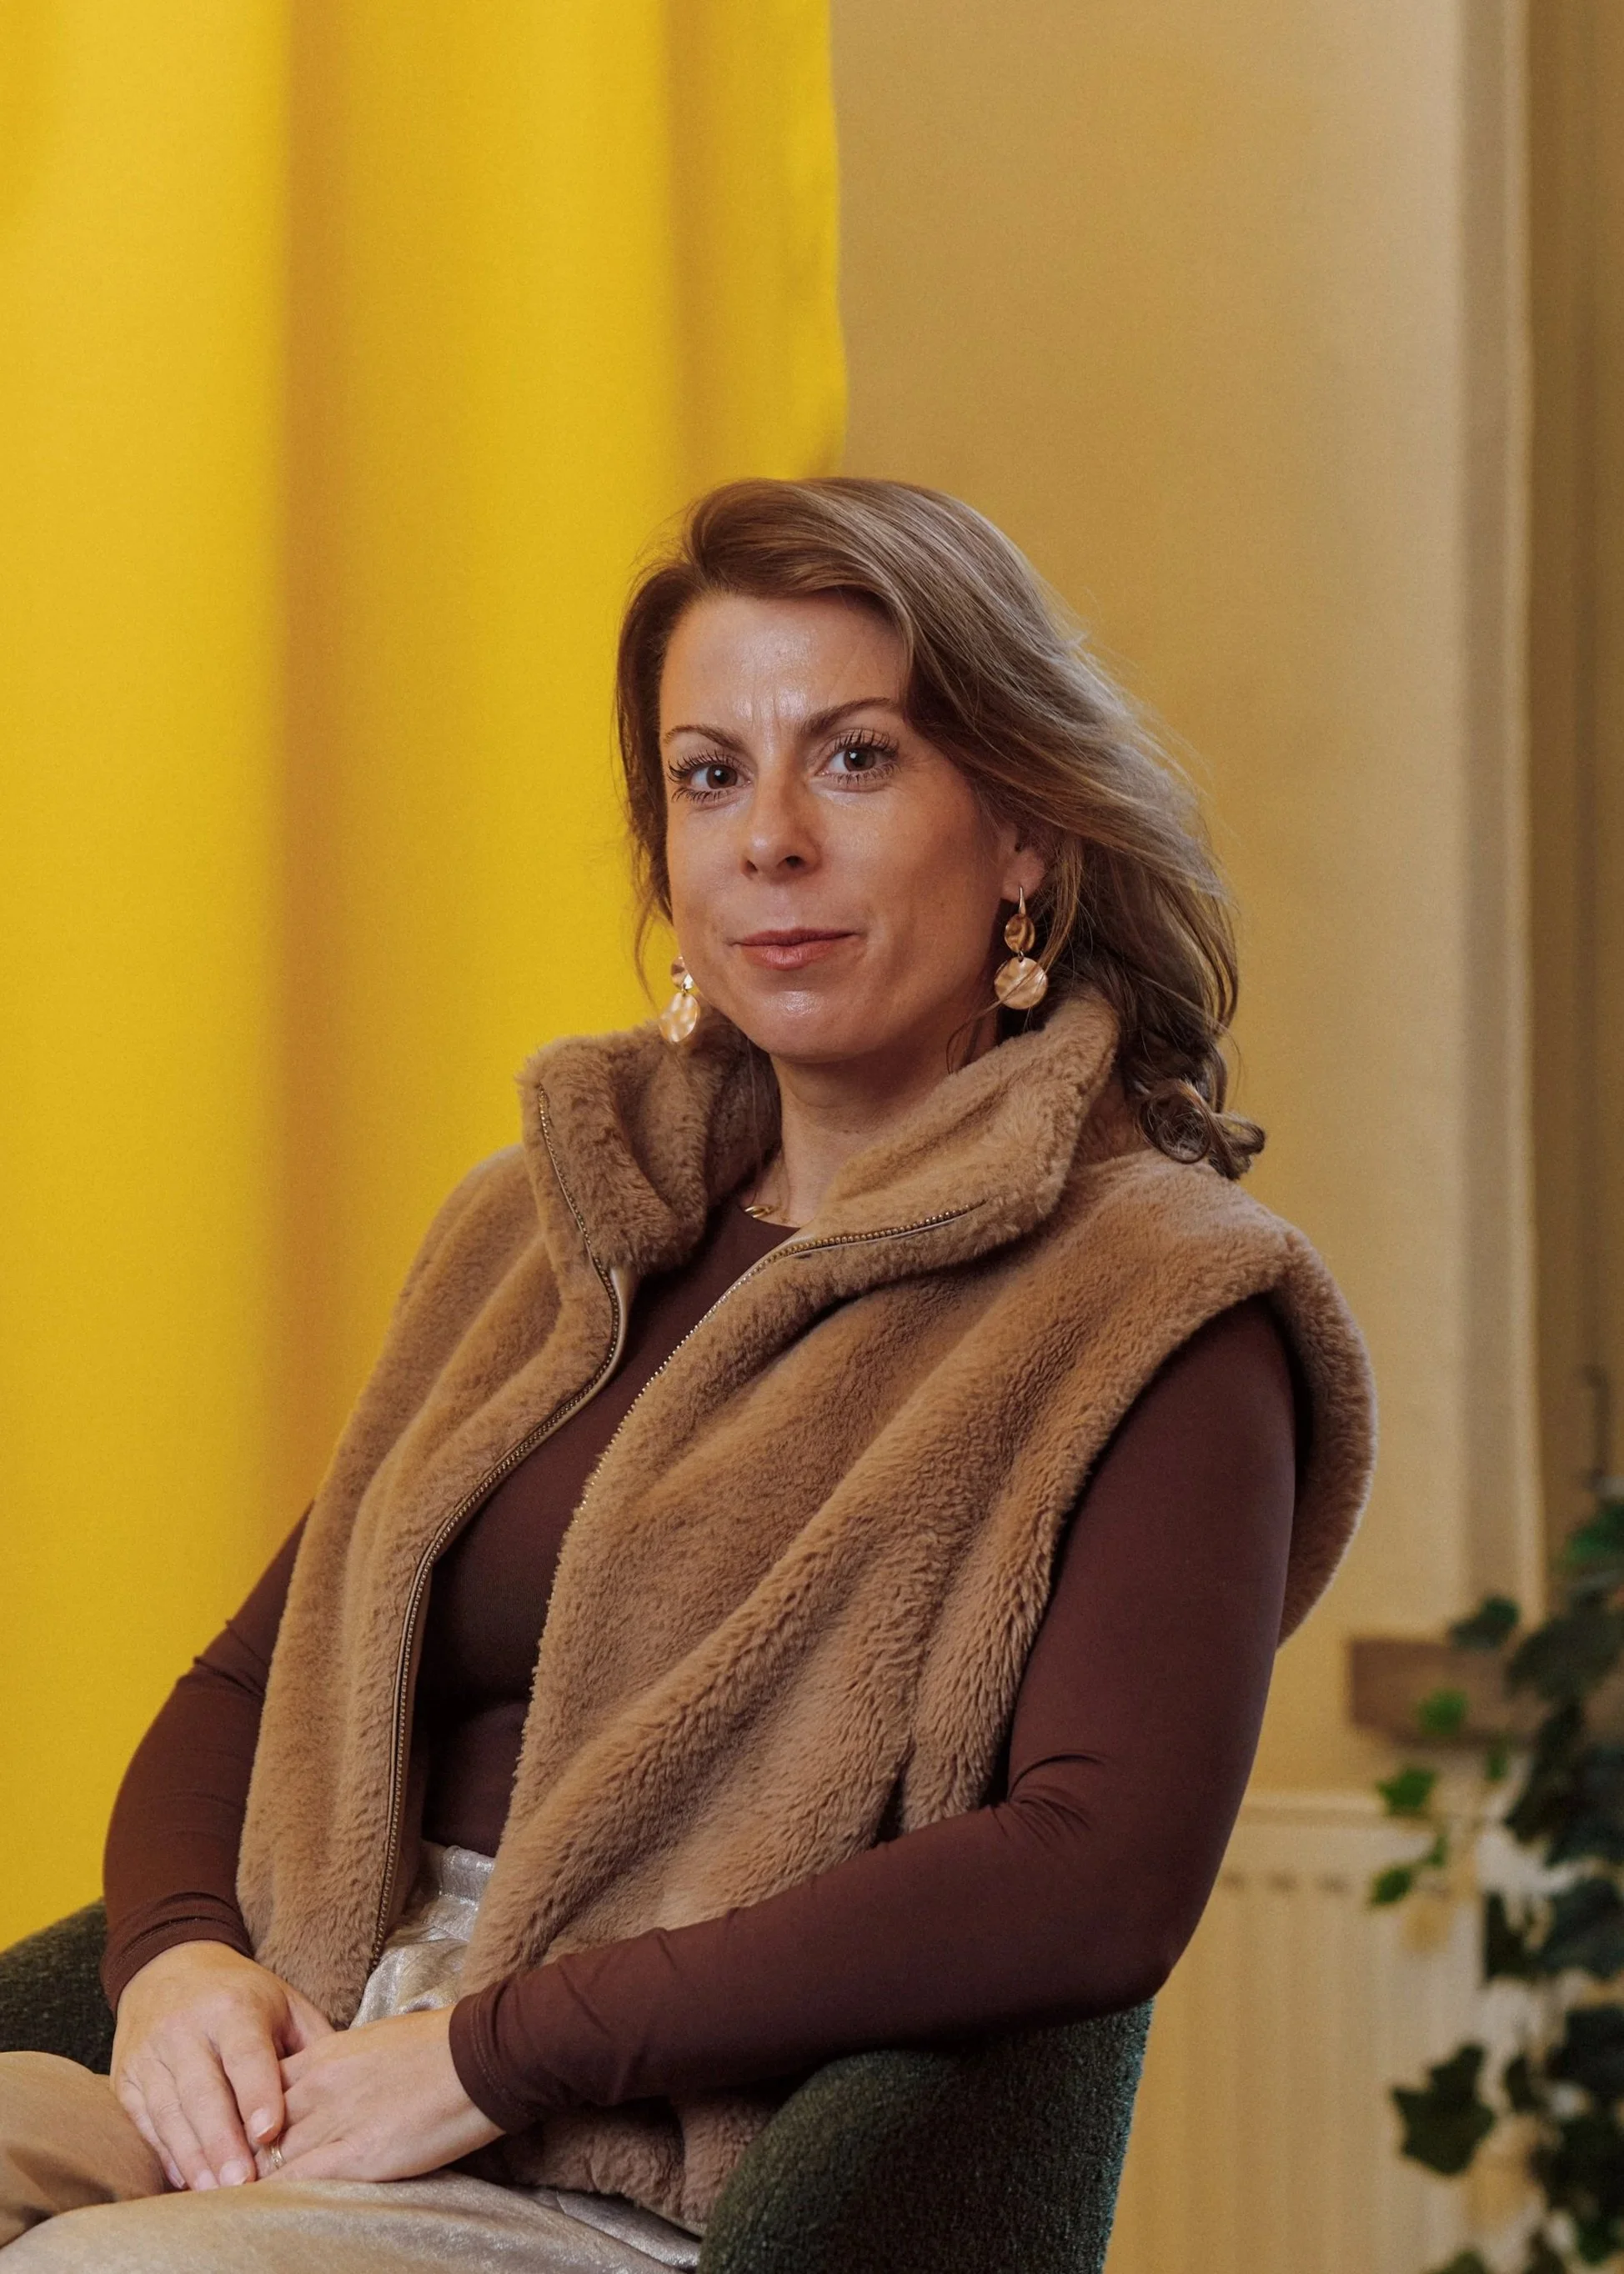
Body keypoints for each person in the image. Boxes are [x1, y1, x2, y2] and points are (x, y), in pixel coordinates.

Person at [0, 478, 1374, 2270]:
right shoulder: (534, 1223)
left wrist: (491, 2052)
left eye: (856, 758)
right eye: (708, 773)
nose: (767, 840)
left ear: (1024, 832)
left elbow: (1090, 1872)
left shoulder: (1162, 1305)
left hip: (642, 2167)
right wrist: (178, 1957)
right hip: (317, 2062)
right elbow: (255, 1675)